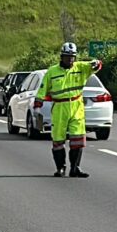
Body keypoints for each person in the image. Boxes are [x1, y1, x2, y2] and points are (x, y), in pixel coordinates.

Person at [35, 42, 102, 178]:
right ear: (61, 56)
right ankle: (60, 168)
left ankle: (75, 168)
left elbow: (96, 66)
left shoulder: (80, 67)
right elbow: (42, 89)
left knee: (78, 139)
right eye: (67, 56)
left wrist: (96, 63)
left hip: (77, 107)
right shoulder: (52, 72)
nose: (70, 59)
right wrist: (37, 107)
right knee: (58, 139)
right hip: (60, 107)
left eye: (72, 57)